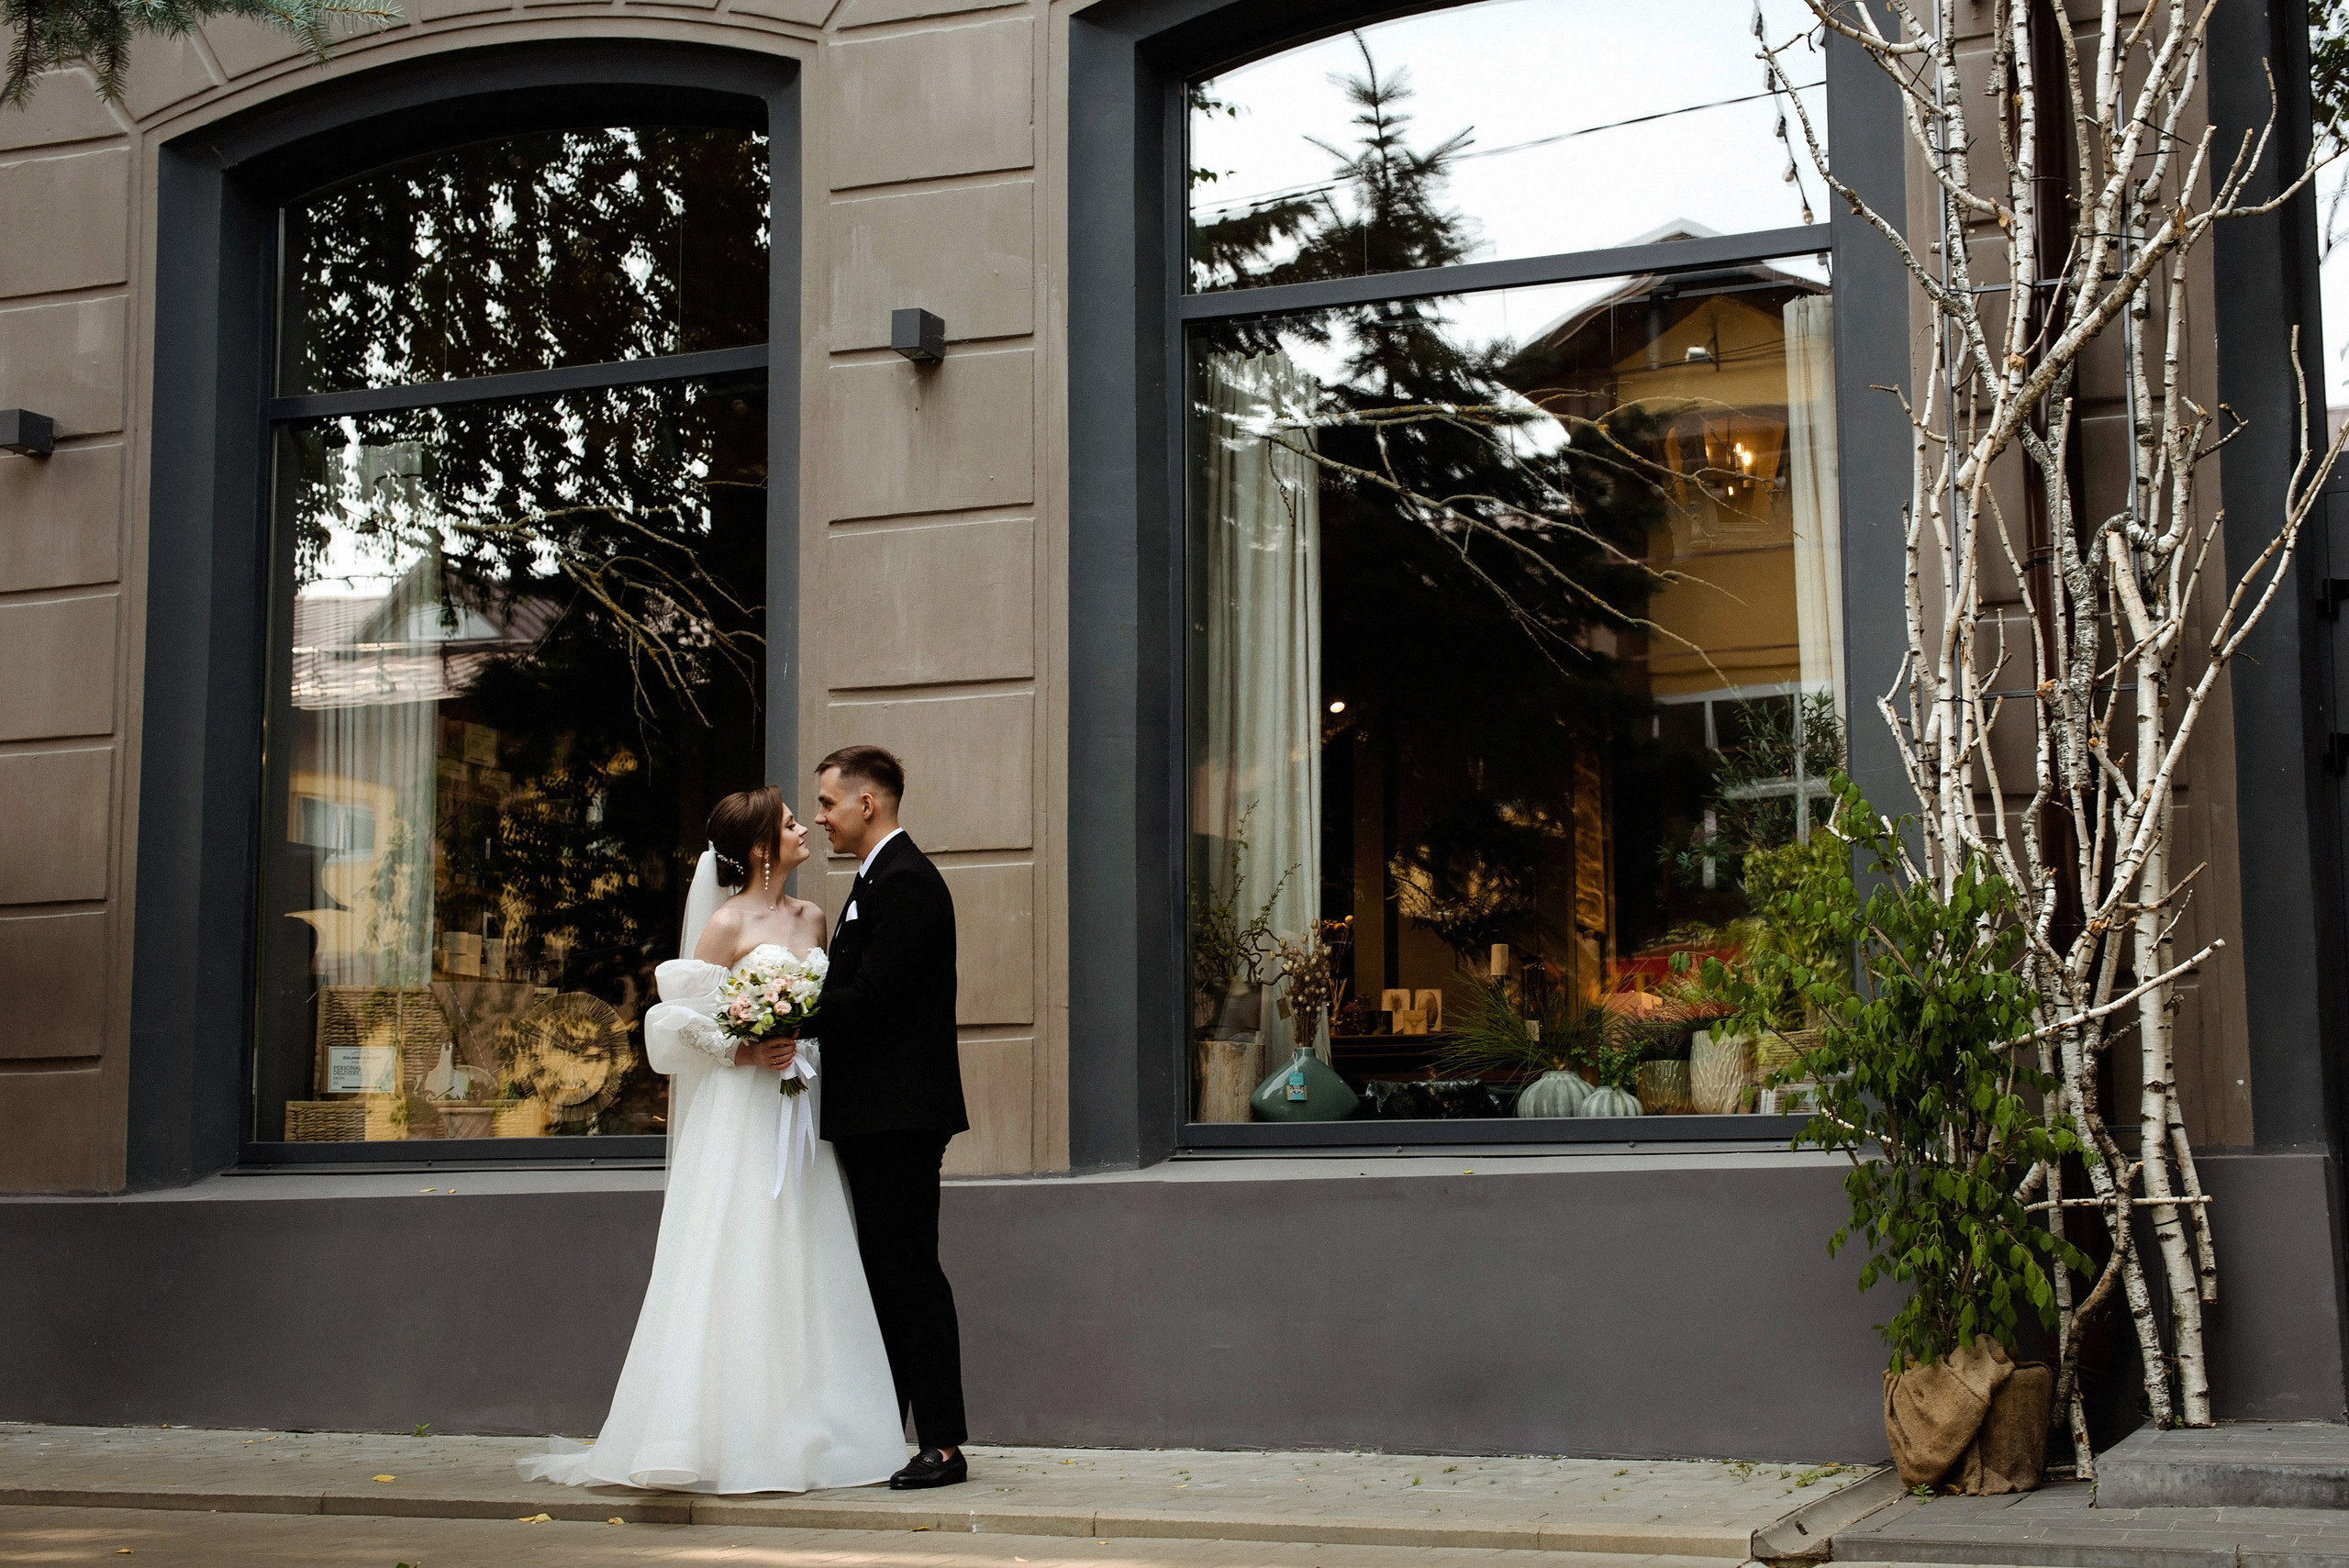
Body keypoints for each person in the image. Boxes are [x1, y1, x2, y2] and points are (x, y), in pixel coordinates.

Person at [518, 786, 905, 1495]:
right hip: (745, 1109)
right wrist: (744, 1049)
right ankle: (722, 1431)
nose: (804, 827)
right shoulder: (726, 923)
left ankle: (812, 1425)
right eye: (789, 822)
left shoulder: (815, 917)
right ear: (760, 847)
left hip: (803, 1105)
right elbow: (676, 1022)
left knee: (806, 1247)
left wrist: (802, 1039)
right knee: (743, 1244)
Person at [804, 745, 973, 1490]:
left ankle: (943, 1443)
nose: (820, 817)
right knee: (885, 1276)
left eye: (828, 802)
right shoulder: (876, 878)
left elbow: (874, 998)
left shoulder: (906, 882)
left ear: (866, 803)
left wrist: (785, 1014)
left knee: (909, 1275)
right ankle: (887, 1431)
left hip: (899, 1117)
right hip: (876, 1115)